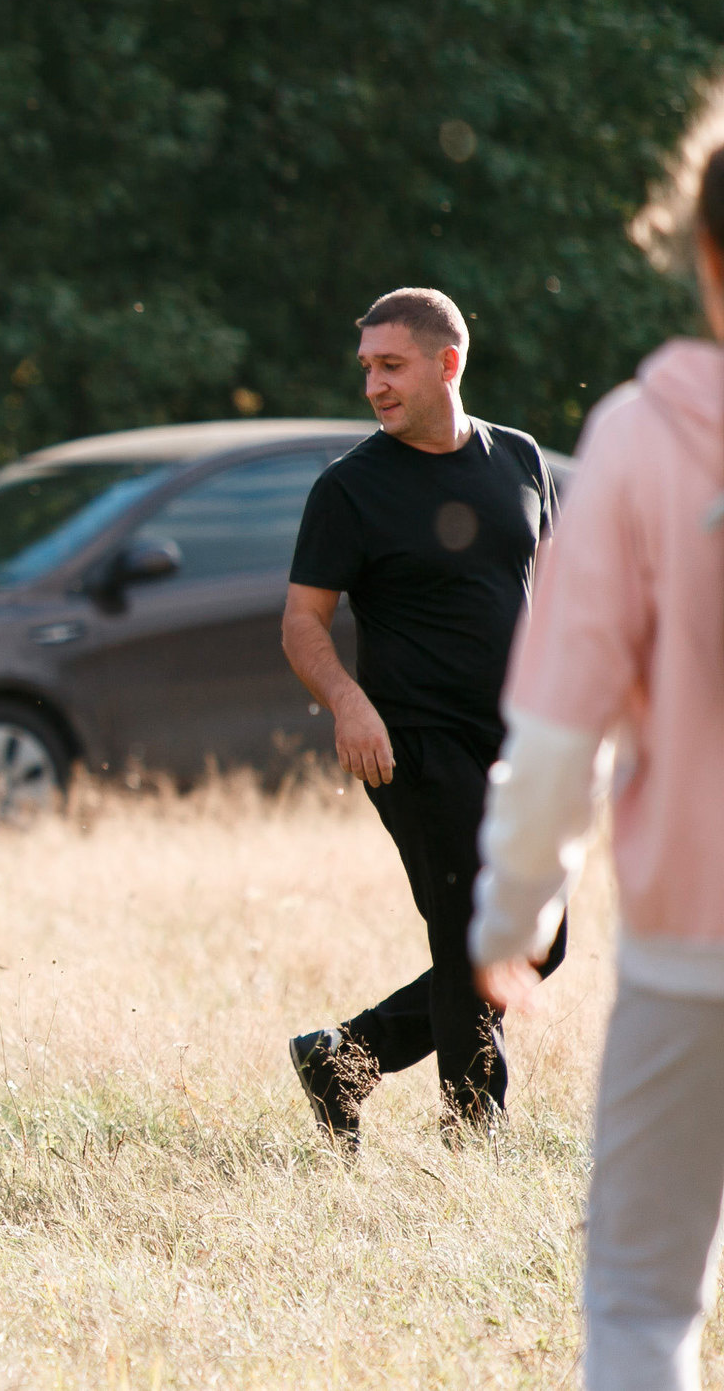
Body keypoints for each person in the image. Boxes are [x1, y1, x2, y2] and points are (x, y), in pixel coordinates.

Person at [471, 113, 724, 1390]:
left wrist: (509, 912)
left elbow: (560, 730)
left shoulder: (636, 438)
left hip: (695, 955)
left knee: (639, 1304)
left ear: (703, 254)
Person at [279, 287, 563, 1149]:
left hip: (519, 740)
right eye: (367, 367)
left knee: (537, 942)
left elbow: (549, 599)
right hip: (409, 741)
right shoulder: (350, 489)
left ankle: (347, 1058)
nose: (373, 384)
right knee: (472, 923)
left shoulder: (517, 458)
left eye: (391, 365)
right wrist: (350, 702)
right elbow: (302, 621)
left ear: (449, 363)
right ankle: (475, 1134)